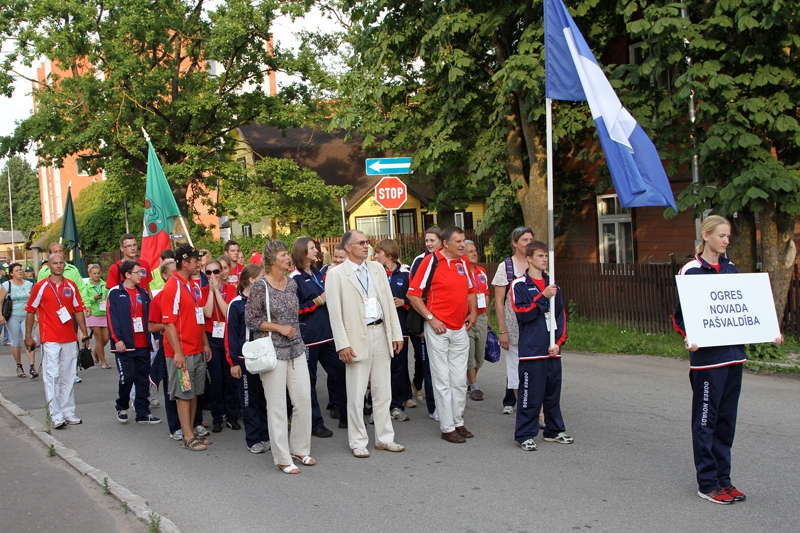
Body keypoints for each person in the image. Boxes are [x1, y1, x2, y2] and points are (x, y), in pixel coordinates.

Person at [672, 215, 783, 505]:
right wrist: (689, 336)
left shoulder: (731, 268)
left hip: (734, 357)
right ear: (705, 235)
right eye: (721, 235)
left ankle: (725, 480)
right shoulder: (691, 271)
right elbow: (680, 316)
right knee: (706, 422)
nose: (726, 241)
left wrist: (769, 331)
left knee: (726, 423)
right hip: (708, 361)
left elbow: (743, 307)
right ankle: (708, 483)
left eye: (728, 236)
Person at [327, 230, 406, 458]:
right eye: (361, 243)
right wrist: (342, 344)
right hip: (355, 337)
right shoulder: (337, 275)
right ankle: (358, 441)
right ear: (348, 247)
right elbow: (335, 313)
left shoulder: (377, 268)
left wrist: (396, 334)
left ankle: (384, 438)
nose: (366, 246)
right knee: (357, 392)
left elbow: (388, 304)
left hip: (380, 331)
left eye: (367, 242)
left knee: (383, 390)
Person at [245, 240, 314, 474]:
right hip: (273, 352)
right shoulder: (260, 287)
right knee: (276, 407)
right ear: (273, 259)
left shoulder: (292, 284)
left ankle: (300, 448)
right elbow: (252, 320)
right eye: (284, 255)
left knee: (303, 399)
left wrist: (292, 333)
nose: (288, 258)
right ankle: (283, 458)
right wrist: (278, 328)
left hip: (296, 349)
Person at [408, 226, 477, 443]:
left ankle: (458, 422)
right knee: (442, 379)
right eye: (457, 241)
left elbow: (471, 290)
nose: (462, 245)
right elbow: (413, 294)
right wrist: (431, 319)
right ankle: (447, 427)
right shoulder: (431, 261)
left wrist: (473, 312)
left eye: (463, 240)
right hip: (438, 329)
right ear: (445, 243)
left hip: (459, 328)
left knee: (458, 379)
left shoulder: (464, 263)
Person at [511, 241, 571, 451]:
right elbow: (522, 313)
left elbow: (561, 316)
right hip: (532, 351)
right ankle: (525, 434)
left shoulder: (554, 286)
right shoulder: (519, 284)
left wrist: (559, 342)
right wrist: (541, 297)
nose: (544, 260)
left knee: (553, 393)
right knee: (530, 395)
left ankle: (554, 430)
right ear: (529, 258)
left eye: (546, 256)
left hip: (551, 350)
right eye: (540, 256)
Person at [24, 253, 90, 429]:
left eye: (61, 263)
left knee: (68, 375)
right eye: (55, 263)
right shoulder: (41, 287)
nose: (59, 266)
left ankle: (68, 411)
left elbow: (78, 310)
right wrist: (28, 335)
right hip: (50, 338)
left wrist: (84, 332)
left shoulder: (71, 285)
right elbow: (30, 310)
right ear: (48, 266)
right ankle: (55, 414)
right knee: (52, 375)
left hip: (69, 337)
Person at [290, 237, 346, 436]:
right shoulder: (294, 278)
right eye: (312, 248)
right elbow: (294, 310)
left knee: (341, 371)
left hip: (328, 334)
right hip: (309, 338)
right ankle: (315, 423)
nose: (317, 251)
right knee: (309, 382)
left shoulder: (317, 272)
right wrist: (318, 301)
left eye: (316, 247)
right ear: (302, 252)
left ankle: (343, 412)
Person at [160, 245, 213, 451]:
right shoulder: (172, 287)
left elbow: (198, 316)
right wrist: (178, 353)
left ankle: (191, 431)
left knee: (193, 393)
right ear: (185, 262)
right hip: (182, 352)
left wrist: (205, 344)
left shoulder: (192, 285)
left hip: (197, 349)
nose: (199, 263)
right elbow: (168, 323)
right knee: (184, 393)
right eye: (195, 260)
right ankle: (188, 436)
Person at [107, 261, 160, 424]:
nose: (141, 276)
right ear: (127, 274)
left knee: (143, 378)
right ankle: (122, 406)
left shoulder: (143, 293)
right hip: (125, 345)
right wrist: (117, 340)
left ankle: (143, 411)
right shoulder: (115, 293)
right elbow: (111, 318)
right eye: (137, 272)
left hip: (143, 343)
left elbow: (151, 316)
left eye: (141, 272)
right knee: (127, 376)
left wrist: (156, 336)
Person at [226, 264, 271, 454]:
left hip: (264, 356)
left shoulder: (264, 300)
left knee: (264, 399)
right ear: (252, 279)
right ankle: (253, 439)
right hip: (245, 359)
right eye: (262, 276)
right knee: (248, 399)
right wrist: (233, 363)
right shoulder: (236, 304)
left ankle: (266, 435)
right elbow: (230, 336)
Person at [492, 226, 535, 415]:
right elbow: (499, 302)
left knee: (535, 367)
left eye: (530, 239)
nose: (528, 243)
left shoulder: (537, 263)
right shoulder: (506, 267)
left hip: (535, 325)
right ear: (515, 243)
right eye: (524, 240)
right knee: (515, 367)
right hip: (514, 326)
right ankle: (524, 407)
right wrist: (503, 331)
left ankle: (536, 406)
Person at [373, 238, 415, 420]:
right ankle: (377, 406)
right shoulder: (373, 273)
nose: (375, 256)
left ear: (389, 255)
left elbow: (415, 298)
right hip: (379, 329)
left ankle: (397, 405)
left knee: (398, 367)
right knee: (379, 368)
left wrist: (403, 302)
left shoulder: (405, 274)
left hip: (400, 329)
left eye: (378, 253)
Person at [202, 258, 241, 433]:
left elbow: (227, 312)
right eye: (208, 272)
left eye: (216, 272)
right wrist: (211, 292)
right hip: (212, 338)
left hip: (228, 337)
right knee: (216, 380)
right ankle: (217, 417)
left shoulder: (231, 290)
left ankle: (232, 416)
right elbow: (208, 312)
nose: (213, 276)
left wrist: (218, 291)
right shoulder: (203, 291)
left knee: (230, 378)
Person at [148, 259, 184, 440]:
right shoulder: (159, 298)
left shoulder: (186, 291)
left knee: (188, 386)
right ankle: (175, 426)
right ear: (164, 276)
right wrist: (170, 324)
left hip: (189, 346)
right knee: (172, 388)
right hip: (170, 348)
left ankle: (194, 422)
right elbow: (152, 327)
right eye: (172, 273)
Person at [408, 227, 442, 417]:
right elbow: (415, 293)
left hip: (445, 322)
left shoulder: (449, 260)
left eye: (432, 240)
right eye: (427, 240)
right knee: (428, 365)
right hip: (427, 319)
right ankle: (434, 407)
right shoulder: (420, 260)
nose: (429, 244)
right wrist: (422, 322)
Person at [0, 263, 38, 378]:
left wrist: (37, 315)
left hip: (27, 316)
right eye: (17, 270)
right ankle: (19, 366)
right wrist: (1, 315)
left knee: (29, 339)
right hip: (13, 316)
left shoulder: (28, 285)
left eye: (21, 270)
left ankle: (32, 366)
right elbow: (0, 301)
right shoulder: (7, 285)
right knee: (16, 342)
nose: (20, 272)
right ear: (11, 273)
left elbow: (34, 301)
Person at [464, 240, 490, 401]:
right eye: (470, 252)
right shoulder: (462, 273)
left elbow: (486, 295)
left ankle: (470, 382)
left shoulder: (482, 271)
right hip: (466, 318)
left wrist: (488, 318)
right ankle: (474, 386)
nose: (474, 254)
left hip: (481, 317)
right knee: (469, 354)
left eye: (475, 251)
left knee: (480, 354)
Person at [80, 264, 111, 369]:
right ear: (89, 274)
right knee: (99, 338)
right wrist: (93, 298)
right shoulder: (86, 286)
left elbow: (108, 297)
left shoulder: (104, 284)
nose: (97, 275)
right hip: (93, 314)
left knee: (106, 337)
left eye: (98, 273)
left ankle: (95, 350)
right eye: (94, 273)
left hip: (104, 313)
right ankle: (103, 362)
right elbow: (85, 299)